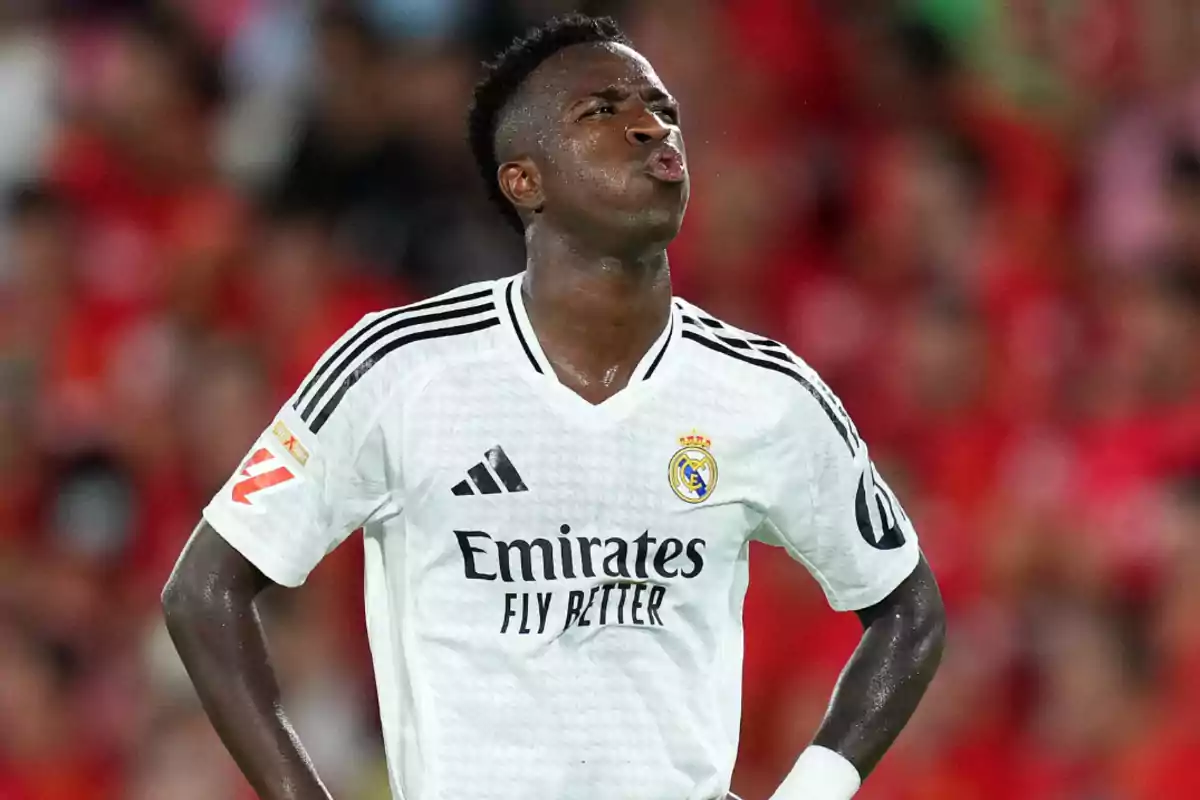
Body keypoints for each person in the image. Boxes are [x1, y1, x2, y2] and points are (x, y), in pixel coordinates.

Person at [162, 14, 946, 800]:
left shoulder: (765, 394)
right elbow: (204, 590)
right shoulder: (402, 368)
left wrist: (810, 791)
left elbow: (908, 611)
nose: (649, 126)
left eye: (662, 107)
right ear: (524, 181)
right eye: (601, 111)